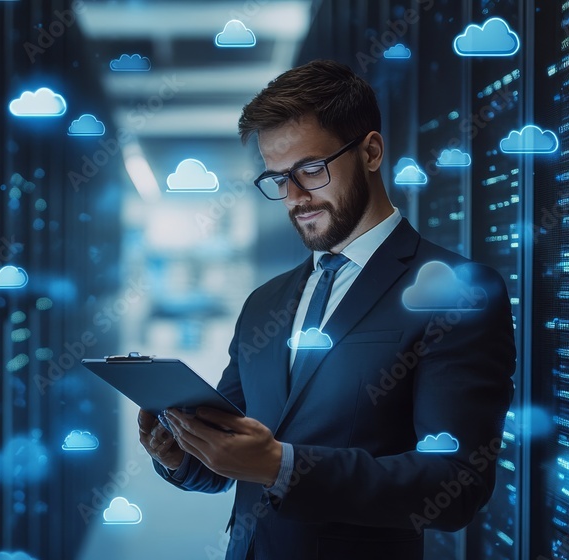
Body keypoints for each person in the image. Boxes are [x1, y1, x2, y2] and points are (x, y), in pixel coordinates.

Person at [138, 59, 516, 559]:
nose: (294, 197)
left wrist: (282, 465)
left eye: (310, 170)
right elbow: (231, 457)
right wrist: (182, 453)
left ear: (372, 152)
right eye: (277, 179)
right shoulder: (264, 303)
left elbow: (456, 484)